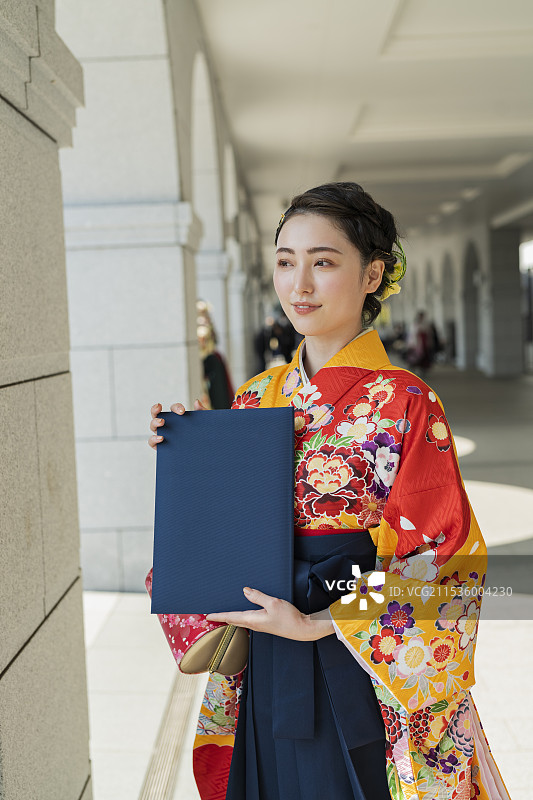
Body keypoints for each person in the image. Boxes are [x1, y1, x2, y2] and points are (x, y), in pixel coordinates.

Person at [147, 182, 510, 800]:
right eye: (286, 262)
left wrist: (320, 622)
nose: (299, 285)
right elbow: (215, 538)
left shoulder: (407, 404)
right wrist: (188, 464)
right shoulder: (256, 397)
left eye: (323, 262)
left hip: (362, 666)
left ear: (372, 275)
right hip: (263, 660)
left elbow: (447, 558)